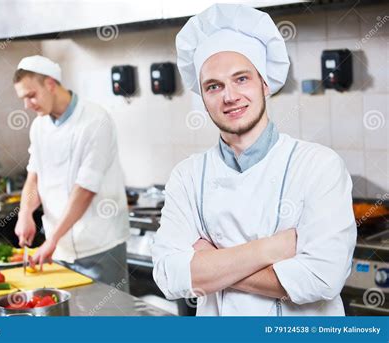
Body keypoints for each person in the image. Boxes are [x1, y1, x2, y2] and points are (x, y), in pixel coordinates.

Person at [151, 4, 356, 315]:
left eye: (241, 79)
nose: (229, 96)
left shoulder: (318, 166)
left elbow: (322, 278)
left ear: (265, 84)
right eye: (214, 86)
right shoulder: (187, 176)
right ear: (203, 97)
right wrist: (269, 249)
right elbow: (169, 276)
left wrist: (211, 265)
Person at [13, 55, 130, 288]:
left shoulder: (95, 120)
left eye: (31, 95)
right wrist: (25, 213)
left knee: (110, 316)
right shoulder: (39, 126)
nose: (27, 105)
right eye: (23, 98)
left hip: (100, 245)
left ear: (50, 84)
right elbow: (34, 177)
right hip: (59, 250)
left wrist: (53, 239)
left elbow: (85, 189)